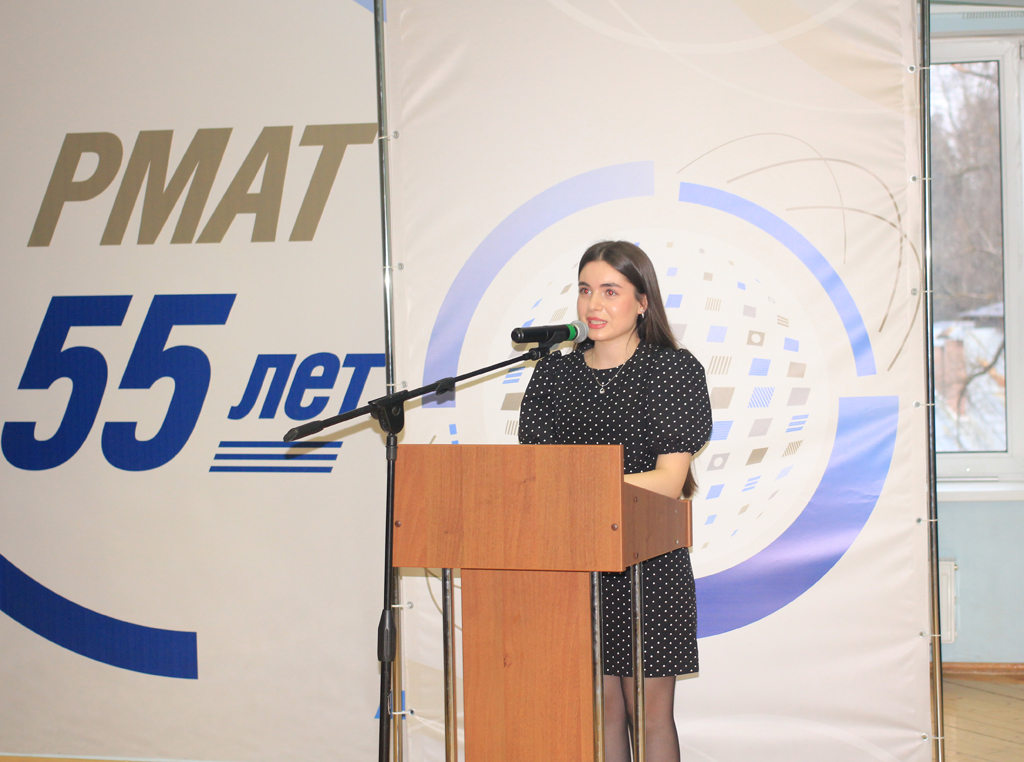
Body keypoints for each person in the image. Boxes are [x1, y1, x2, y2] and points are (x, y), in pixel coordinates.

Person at [518, 240, 712, 762]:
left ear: (642, 302)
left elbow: (669, 480)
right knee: (599, 710)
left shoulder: (673, 370)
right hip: (575, 563)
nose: (593, 305)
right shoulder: (553, 375)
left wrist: (584, 489)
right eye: (585, 291)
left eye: (610, 291)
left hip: (650, 562)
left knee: (649, 713)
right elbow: (537, 477)